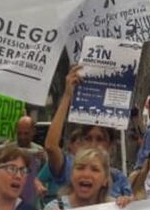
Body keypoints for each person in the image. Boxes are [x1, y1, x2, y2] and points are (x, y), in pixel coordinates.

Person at [44, 65, 132, 199]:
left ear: (111, 145)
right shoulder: (69, 167)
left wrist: (127, 202)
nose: (93, 144)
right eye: (88, 138)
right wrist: (67, 95)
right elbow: (51, 146)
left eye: (100, 139)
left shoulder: (118, 178)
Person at [46, 147, 132, 210]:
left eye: (95, 169)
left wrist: (130, 208)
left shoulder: (115, 208)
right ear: (71, 175)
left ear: (105, 180)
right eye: (80, 168)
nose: (86, 174)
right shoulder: (54, 208)